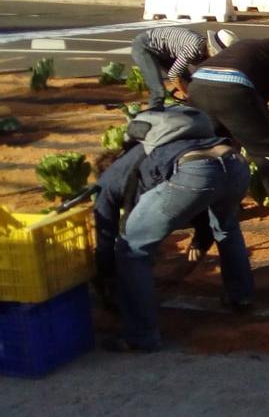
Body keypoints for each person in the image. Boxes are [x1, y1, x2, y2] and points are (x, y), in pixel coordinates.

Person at [93, 106, 252, 352]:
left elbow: (105, 232)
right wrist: (202, 239)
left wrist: (106, 277)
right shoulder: (154, 153)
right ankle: (241, 297)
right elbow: (202, 202)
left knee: (132, 250)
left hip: (194, 171)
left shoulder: (109, 180)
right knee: (227, 229)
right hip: (234, 163)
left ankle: (141, 336)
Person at [187, 32, 269, 226]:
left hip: (198, 84)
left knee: (217, 152)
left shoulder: (250, 45)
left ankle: (216, 208)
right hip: (232, 88)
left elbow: (258, 97)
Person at [130, 27, 237, 110]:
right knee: (158, 91)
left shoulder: (203, 49)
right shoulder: (193, 48)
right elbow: (174, 75)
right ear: (211, 48)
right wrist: (187, 95)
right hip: (145, 47)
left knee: (190, 83)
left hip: (165, 51)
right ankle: (152, 121)